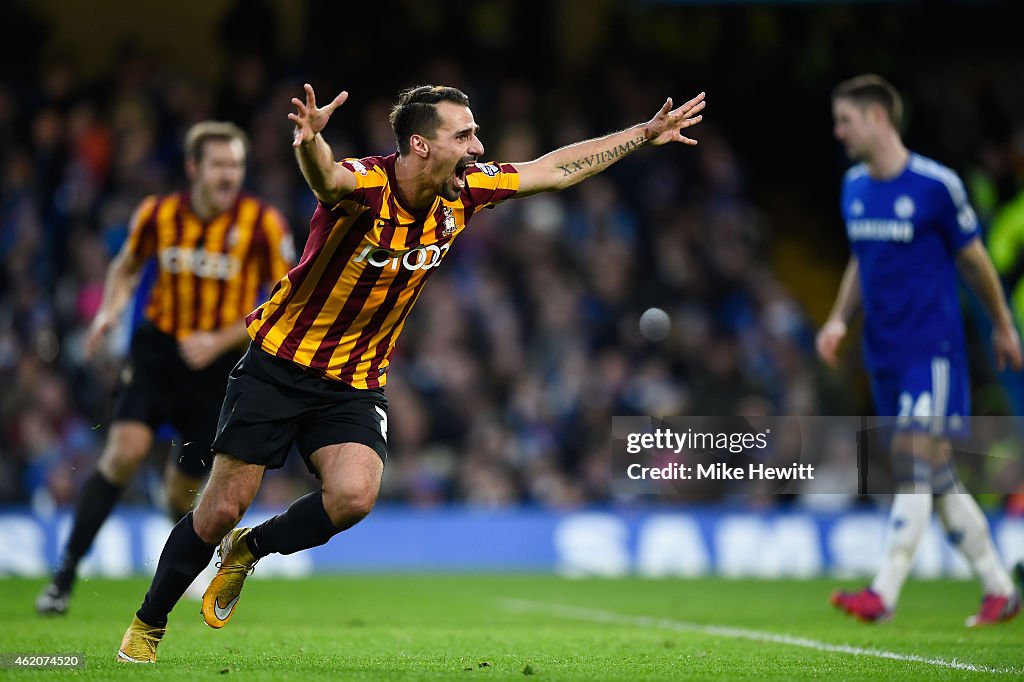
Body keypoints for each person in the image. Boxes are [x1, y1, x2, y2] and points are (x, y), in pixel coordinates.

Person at [114, 82, 706, 662]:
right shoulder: (369, 185)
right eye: (464, 135)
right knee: (217, 510)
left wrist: (641, 134)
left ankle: (250, 550)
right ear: (421, 145)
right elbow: (328, 177)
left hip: (355, 378)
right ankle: (148, 624)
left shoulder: (466, 191)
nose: (478, 147)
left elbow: (554, 168)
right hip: (278, 364)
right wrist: (308, 145)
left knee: (353, 496)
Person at [36, 121, 295, 615]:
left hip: (220, 365)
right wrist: (110, 311)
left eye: (236, 165)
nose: (229, 175)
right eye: (219, 164)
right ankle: (64, 575)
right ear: (194, 167)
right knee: (124, 452)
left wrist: (220, 338)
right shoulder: (159, 213)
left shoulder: (263, 223)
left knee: (183, 487)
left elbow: (285, 298)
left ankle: (182, 559)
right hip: (158, 352)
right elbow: (126, 267)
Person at [816, 74, 1023, 626]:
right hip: (882, 353)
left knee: (912, 464)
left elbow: (976, 260)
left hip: (930, 352)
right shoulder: (854, 187)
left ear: (878, 118)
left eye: (846, 120)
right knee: (936, 476)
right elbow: (861, 258)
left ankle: (882, 593)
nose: (839, 131)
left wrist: (1003, 325)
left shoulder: (936, 186)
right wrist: (838, 318)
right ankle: (1000, 587)